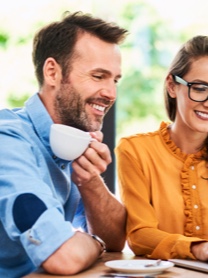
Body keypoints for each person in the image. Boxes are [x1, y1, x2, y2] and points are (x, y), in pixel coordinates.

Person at [0, 11, 128, 277]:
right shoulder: (8, 142)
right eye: (98, 76)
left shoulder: (71, 141)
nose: (111, 93)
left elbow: (117, 240)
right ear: (52, 72)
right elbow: (64, 257)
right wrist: (95, 243)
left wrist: (90, 179)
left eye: (115, 80)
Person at [115, 35, 208, 267]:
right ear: (172, 86)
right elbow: (140, 236)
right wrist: (197, 248)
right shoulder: (135, 151)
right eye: (200, 88)